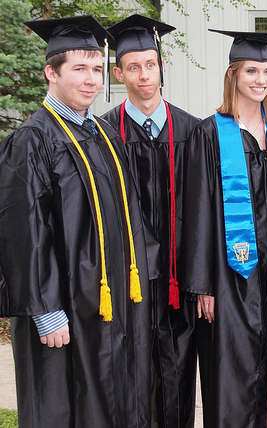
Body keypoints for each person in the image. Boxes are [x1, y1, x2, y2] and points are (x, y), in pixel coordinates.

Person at [0, 16, 152, 428]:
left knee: (115, 399)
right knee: (65, 405)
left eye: (97, 69)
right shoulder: (31, 140)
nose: (91, 80)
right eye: (79, 69)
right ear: (51, 72)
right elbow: (22, 232)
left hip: (111, 300)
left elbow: (130, 216)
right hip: (65, 306)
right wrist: (45, 309)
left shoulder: (104, 133)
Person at [180, 30, 267, 428]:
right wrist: (203, 285)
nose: (261, 79)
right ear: (233, 75)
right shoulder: (208, 133)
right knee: (232, 375)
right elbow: (195, 211)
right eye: (251, 70)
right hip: (229, 278)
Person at [101, 14, 201, 428]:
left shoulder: (194, 131)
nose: (145, 75)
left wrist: (201, 280)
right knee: (132, 374)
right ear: (118, 71)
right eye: (134, 66)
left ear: (162, 66)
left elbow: (203, 213)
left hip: (180, 280)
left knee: (177, 372)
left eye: (151, 64)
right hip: (129, 281)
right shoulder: (103, 132)